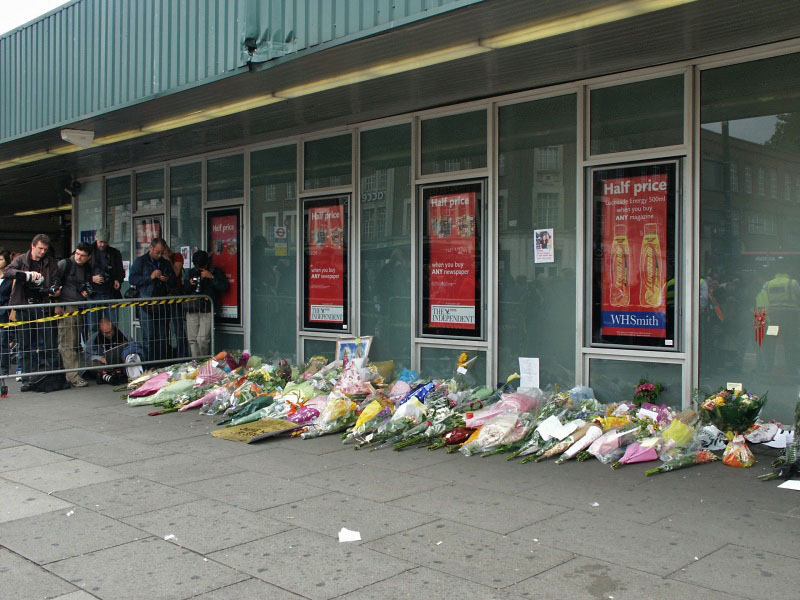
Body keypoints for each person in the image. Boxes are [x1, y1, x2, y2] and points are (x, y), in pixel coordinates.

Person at [2, 234, 62, 390]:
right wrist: (25, 275)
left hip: (43, 305)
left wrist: (54, 291)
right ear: (33, 246)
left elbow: (56, 279)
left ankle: (52, 377)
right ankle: (27, 379)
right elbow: (8, 271)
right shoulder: (22, 259)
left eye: (45, 249)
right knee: (26, 345)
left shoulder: (51, 262)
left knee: (49, 344)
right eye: (40, 248)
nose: (42, 252)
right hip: (24, 305)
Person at [128, 238, 176, 363]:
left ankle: (163, 365)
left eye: (162, 252)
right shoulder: (141, 261)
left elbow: (174, 281)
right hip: (146, 304)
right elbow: (132, 279)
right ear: (151, 248)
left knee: (163, 337)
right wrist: (150, 277)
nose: (159, 255)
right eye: (157, 252)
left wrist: (167, 279)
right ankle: (149, 366)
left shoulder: (165, 263)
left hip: (162, 304)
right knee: (149, 338)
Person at [55, 243, 93, 387]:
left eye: (83, 255)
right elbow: (54, 284)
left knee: (75, 341)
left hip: (79, 306)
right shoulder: (65, 264)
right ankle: (72, 376)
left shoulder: (86, 268)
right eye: (77, 253)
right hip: (66, 307)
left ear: (88, 257)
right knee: (68, 342)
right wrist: (56, 304)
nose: (79, 257)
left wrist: (86, 291)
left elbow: (86, 284)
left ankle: (73, 373)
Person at [183, 250, 228, 357]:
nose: (200, 269)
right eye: (197, 267)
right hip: (192, 308)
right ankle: (196, 362)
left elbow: (224, 287)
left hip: (207, 309)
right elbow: (184, 290)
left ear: (207, 263)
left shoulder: (215, 271)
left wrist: (211, 277)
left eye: (201, 266)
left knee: (202, 339)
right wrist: (190, 284)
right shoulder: (190, 272)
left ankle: (203, 361)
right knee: (192, 339)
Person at [88, 228, 125, 334]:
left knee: (113, 325)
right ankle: (95, 348)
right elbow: (80, 271)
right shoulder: (88, 251)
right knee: (93, 325)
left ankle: (112, 347)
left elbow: (120, 271)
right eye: (100, 242)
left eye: (105, 242)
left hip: (110, 292)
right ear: (96, 238)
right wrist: (91, 278)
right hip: (93, 293)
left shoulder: (114, 253)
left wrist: (118, 280)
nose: (102, 244)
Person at [87, 317, 144, 384]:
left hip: (120, 361)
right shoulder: (94, 338)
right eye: (106, 333)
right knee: (92, 364)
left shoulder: (122, 334)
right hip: (104, 364)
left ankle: (107, 375)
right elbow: (87, 355)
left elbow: (132, 346)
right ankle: (110, 374)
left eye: (110, 332)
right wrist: (100, 358)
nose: (108, 334)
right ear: (101, 331)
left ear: (113, 328)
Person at [165, 244, 189, 358]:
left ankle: (182, 355)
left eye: (163, 252)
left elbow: (175, 273)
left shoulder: (177, 256)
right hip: (163, 295)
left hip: (175, 294)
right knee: (164, 328)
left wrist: (168, 261)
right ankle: (167, 355)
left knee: (178, 327)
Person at [0, 250, 12, 380]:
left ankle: (4, 368)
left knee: (4, 341)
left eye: (1, 260)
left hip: (3, 312)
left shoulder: (9, 278)